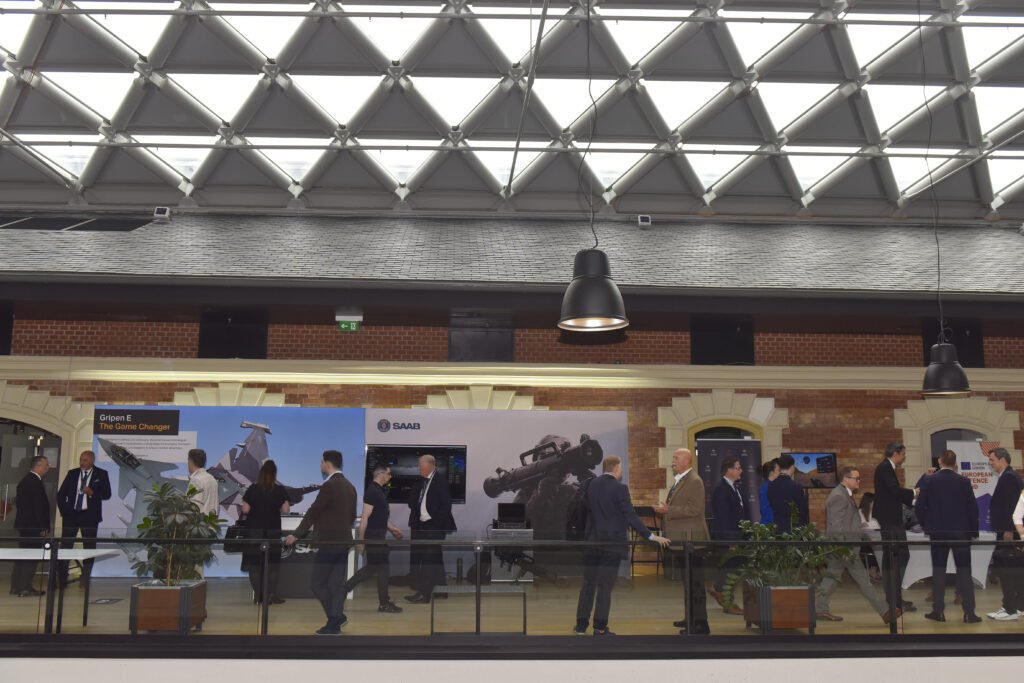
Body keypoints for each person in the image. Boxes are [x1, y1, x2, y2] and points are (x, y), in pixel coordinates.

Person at [575, 456, 670, 635]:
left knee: (588, 584)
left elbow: (584, 512)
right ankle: (599, 628)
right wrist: (651, 536)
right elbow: (630, 516)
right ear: (617, 469)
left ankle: (581, 626)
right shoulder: (620, 488)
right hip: (612, 545)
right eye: (621, 468)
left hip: (592, 543)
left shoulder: (590, 485)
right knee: (605, 586)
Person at [284, 450, 357, 635]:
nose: (320, 465)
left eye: (321, 462)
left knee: (317, 584)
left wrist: (296, 535)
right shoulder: (350, 486)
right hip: (344, 542)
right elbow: (351, 517)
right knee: (336, 585)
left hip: (328, 543)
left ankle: (334, 620)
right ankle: (336, 618)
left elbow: (313, 512)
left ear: (327, 464)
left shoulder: (329, 485)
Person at [815, 467, 898, 624]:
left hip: (844, 546)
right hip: (844, 547)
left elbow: (850, 522)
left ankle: (819, 609)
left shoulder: (844, 494)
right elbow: (836, 526)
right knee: (863, 581)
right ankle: (885, 612)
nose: (859, 481)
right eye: (856, 478)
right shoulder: (838, 496)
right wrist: (844, 548)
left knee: (831, 579)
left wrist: (863, 535)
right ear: (846, 479)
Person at [916, 449, 980, 623]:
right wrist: (973, 531)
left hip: (938, 532)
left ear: (940, 462)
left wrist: (926, 526)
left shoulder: (930, 480)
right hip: (961, 533)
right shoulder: (964, 481)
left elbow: (920, 506)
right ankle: (969, 613)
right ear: (955, 464)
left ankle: (938, 611)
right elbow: (973, 508)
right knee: (965, 571)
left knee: (938, 571)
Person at [654, 448, 710, 635]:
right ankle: (690, 619)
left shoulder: (694, 481)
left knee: (695, 585)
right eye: (674, 458)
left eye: (676, 458)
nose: (673, 461)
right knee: (688, 583)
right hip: (682, 540)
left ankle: (700, 625)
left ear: (687, 461)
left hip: (692, 541)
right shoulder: (682, 480)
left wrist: (668, 510)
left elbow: (695, 509)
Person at [343, 464, 404, 613]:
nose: (390, 477)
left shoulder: (379, 491)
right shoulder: (372, 492)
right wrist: (361, 541)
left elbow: (381, 517)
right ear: (381, 474)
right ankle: (344, 590)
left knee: (378, 568)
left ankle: (383, 602)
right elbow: (365, 518)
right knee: (377, 568)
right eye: (388, 474)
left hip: (378, 536)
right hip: (373, 537)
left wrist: (393, 529)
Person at [873, 441, 919, 613]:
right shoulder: (886, 468)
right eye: (903, 454)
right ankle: (895, 600)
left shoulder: (886, 467)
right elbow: (894, 490)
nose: (904, 457)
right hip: (890, 519)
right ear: (896, 454)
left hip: (890, 518)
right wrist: (914, 492)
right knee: (898, 557)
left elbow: (893, 492)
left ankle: (894, 598)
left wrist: (911, 496)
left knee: (894, 558)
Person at [405, 454, 456, 604]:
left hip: (435, 527)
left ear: (431, 465)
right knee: (435, 558)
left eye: (421, 465)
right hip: (420, 526)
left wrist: (434, 525)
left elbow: (446, 506)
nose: (419, 468)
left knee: (428, 559)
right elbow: (411, 502)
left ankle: (424, 594)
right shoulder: (419, 482)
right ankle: (441, 590)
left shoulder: (441, 482)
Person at [56, 449, 111, 586]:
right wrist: (65, 512)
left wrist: (92, 492)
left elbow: (107, 494)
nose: (82, 462)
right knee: (66, 545)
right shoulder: (72, 473)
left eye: (85, 460)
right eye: (81, 460)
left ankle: (85, 577)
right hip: (71, 516)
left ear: (92, 460)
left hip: (90, 516)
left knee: (89, 546)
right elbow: (61, 494)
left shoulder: (101, 474)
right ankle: (61, 577)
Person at [241, 459, 289, 605]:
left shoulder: (252, 489)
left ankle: (259, 596)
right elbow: (286, 510)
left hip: (254, 532)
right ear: (274, 474)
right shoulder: (279, 490)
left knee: (254, 566)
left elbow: (245, 509)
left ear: (261, 473)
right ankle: (271, 595)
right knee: (273, 566)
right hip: (273, 532)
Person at [986, 447, 1023, 621]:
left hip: (1008, 533)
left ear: (1002, 460)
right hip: (1009, 531)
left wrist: (1008, 530)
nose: (990, 463)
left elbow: (1012, 506)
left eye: (992, 460)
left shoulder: (1009, 478)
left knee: (1007, 572)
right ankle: (1019, 606)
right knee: (1016, 572)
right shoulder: (1009, 476)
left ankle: (1009, 609)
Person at [709, 457, 748, 615]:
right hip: (727, 537)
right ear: (728, 470)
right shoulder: (721, 489)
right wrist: (730, 541)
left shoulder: (732, 487)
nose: (741, 470)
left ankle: (719, 589)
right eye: (738, 468)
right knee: (730, 568)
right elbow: (723, 517)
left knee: (733, 567)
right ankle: (726, 598)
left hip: (735, 536)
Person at [10, 455, 51, 597]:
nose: (48, 467)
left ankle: (16, 586)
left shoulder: (26, 480)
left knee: (23, 556)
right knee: (31, 557)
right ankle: (24, 587)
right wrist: (43, 527)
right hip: (33, 527)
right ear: (38, 465)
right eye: (46, 465)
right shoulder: (34, 482)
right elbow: (38, 507)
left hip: (25, 525)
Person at [767, 454, 808, 533]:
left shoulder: (771, 485)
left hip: (777, 528)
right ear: (792, 467)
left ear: (779, 467)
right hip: (793, 530)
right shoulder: (796, 486)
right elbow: (803, 511)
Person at [858, 492, 883, 582]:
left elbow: (877, 526)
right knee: (875, 546)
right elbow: (859, 528)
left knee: (882, 546)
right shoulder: (859, 513)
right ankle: (872, 569)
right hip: (863, 540)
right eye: (873, 502)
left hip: (875, 537)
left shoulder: (874, 513)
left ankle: (879, 569)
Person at [186, 449, 219, 517]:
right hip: (211, 522)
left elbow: (193, 507)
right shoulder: (212, 479)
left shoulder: (196, 480)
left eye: (188, 460)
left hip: (198, 522)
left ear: (191, 461)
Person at [758, 459, 779, 524]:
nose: (780, 473)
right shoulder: (765, 488)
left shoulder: (773, 486)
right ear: (771, 472)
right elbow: (765, 510)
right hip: (768, 526)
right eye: (778, 470)